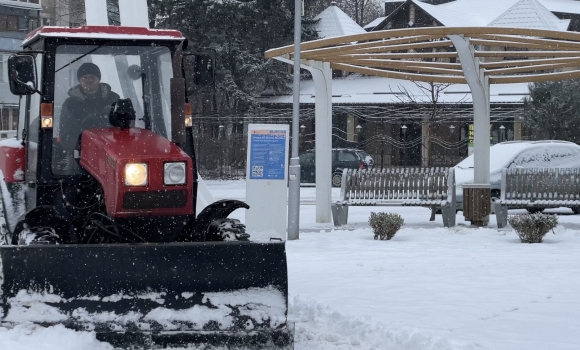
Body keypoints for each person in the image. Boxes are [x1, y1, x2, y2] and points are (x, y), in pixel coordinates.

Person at [59, 62, 120, 149]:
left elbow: (123, 126)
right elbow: (67, 131)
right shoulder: (70, 104)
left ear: (98, 79)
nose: (89, 80)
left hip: (111, 148)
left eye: (92, 77)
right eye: (85, 77)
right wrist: (83, 145)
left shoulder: (113, 99)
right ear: (80, 80)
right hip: (82, 150)